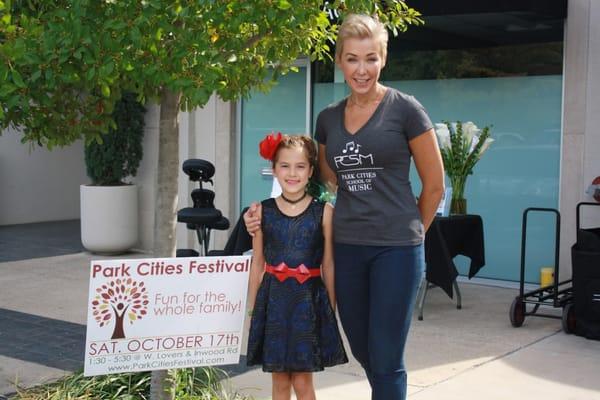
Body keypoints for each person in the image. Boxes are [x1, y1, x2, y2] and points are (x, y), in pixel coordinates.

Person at [245, 14, 445, 400]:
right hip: (348, 248)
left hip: (396, 250)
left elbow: (434, 187)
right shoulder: (329, 119)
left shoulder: (406, 110)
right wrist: (262, 212)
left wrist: (411, 234)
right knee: (361, 347)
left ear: (383, 59)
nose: (362, 69)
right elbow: (317, 184)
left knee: (386, 357)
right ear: (340, 61)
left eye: (371, 58)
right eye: (352, 58)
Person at [245, 133, 348, 400]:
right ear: (274, 169)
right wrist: (253, 310)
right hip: (275, 304)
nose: (292, 173)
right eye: (285, 166)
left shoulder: (324, 212)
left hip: (308, 304)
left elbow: (329, 264)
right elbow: (257, 263)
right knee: (279, 382)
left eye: (300, 166)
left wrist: (330, 310)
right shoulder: (261, 212)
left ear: (311, 171)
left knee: (302, 382)